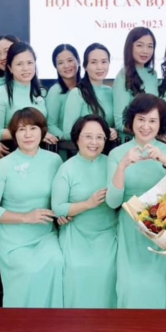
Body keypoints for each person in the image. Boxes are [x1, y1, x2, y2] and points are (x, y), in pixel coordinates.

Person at [0, 107, 65, 307]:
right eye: (21, 129)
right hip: (12, 236)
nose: (28, 134)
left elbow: (61, 198)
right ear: (14, 134)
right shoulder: (3, 165)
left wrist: (63, 214)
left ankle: (51, 321)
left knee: (56, 261)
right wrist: (25, 217)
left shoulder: (55, 161)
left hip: (44, 234)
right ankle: (20, 322)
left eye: (33, 128)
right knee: (28, 270)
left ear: (42, 131)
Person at [106, 94, 166, 308]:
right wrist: (122, 166)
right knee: (129, 289)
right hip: (130, 229)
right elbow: (112, 202)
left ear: (161, 124)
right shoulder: (117, 154)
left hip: (163, 230)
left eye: (152, 121)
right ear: (131, 121)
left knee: (160, 290)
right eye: (141, 119)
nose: (146, 126)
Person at [53, 114, 116, 308]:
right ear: (77, 138)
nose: (94, 142)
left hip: (108, 233)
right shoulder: (67, 168)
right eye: (88, 136)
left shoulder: (112, 163)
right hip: (77, 233)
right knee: (76, 271)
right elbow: (58, 208)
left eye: (100, 137)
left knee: (109, 270)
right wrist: (88, 204)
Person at [0, 42, 54, 146]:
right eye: (19, 64)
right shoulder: (0, 94)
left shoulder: (42, 92)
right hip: (13, 149)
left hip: (40, 149)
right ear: (10, 68)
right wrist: (37, 133)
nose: (26, 68)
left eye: (30, 63)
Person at [62, 43, 118, 144]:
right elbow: (68, 133)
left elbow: (115, 124)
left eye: (104, 62)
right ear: (85, 66)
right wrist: (101, 132)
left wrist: (113, 131)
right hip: (87, 148)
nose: (99, 67)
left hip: (108, 148)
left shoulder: (110, 91)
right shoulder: (77, 93)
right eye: (93, 62)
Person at [111, 27, 158, 133]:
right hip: (133, 138)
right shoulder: (123, 75)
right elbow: (120, 123)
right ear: (130, 47)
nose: (145, 51)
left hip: (151, 136)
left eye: (150, 46)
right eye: (139, 45)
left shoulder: (153, 74)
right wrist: (148, 132)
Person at [45, 44, 81, 141]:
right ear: (56, 67)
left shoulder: (87, 88)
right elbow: (50, 125)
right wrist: (68, 139)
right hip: (65, 145)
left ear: (78, 61)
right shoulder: (55, 92)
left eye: (70, 60)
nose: (66, 66)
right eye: (60, 63)